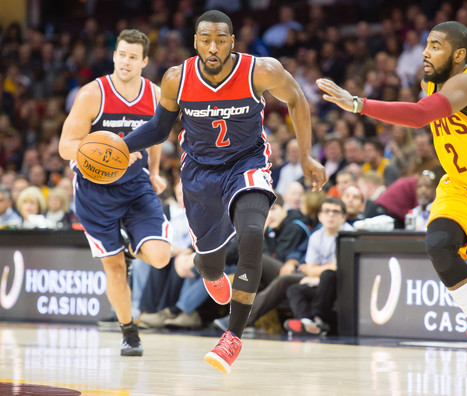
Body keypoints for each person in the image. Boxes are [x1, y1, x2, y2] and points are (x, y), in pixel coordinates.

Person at [317, 21, 467, 391]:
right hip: (461, 189)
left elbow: (418, 116)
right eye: (426, 45)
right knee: (437, 243)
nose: (426, 52)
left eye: (436, 46)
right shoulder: (432, 81)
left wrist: (358, 104)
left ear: (459, 55)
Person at [121, 10, 327, 374]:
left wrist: (307, 154)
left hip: (246, 164)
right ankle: (210, 271)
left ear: (232, 42)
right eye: (205, 40)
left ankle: (232, 337)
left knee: (251, 236)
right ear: (196, 41)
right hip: (199, 174)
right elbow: (157, 128)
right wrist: (122, 146)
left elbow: (295, 98)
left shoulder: (260, 70)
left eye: (220, 40)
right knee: (210, 263)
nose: (213, 47)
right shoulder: (176, 78)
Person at [58, 29, 172, 357]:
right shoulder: (92, 94)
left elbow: (157, 135)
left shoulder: (154, 94)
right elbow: (66, 146)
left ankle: (132, 248)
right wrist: (109, 148)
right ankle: (129, 331)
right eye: (121, 54)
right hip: (95, 192)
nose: (125, 61)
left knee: (161, 256)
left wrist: (153, 172)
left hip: (135, 187)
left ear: (144, 61)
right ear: (114, 55)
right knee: (115, 268)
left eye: (133, 57)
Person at [284, 197, 354, 336]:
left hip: (343, 284)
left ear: (343, 217)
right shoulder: (316, 236)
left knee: (328, 275)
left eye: (335, 212)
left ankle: (317, 319)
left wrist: (319, 274)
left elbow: (341, 268)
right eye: (327, 211)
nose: (331, 215)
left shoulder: (349, 235)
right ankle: (308, 322)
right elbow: (310, 268)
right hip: (323, 284)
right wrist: (320, 272)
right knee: (294, 289)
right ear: (320, 216)